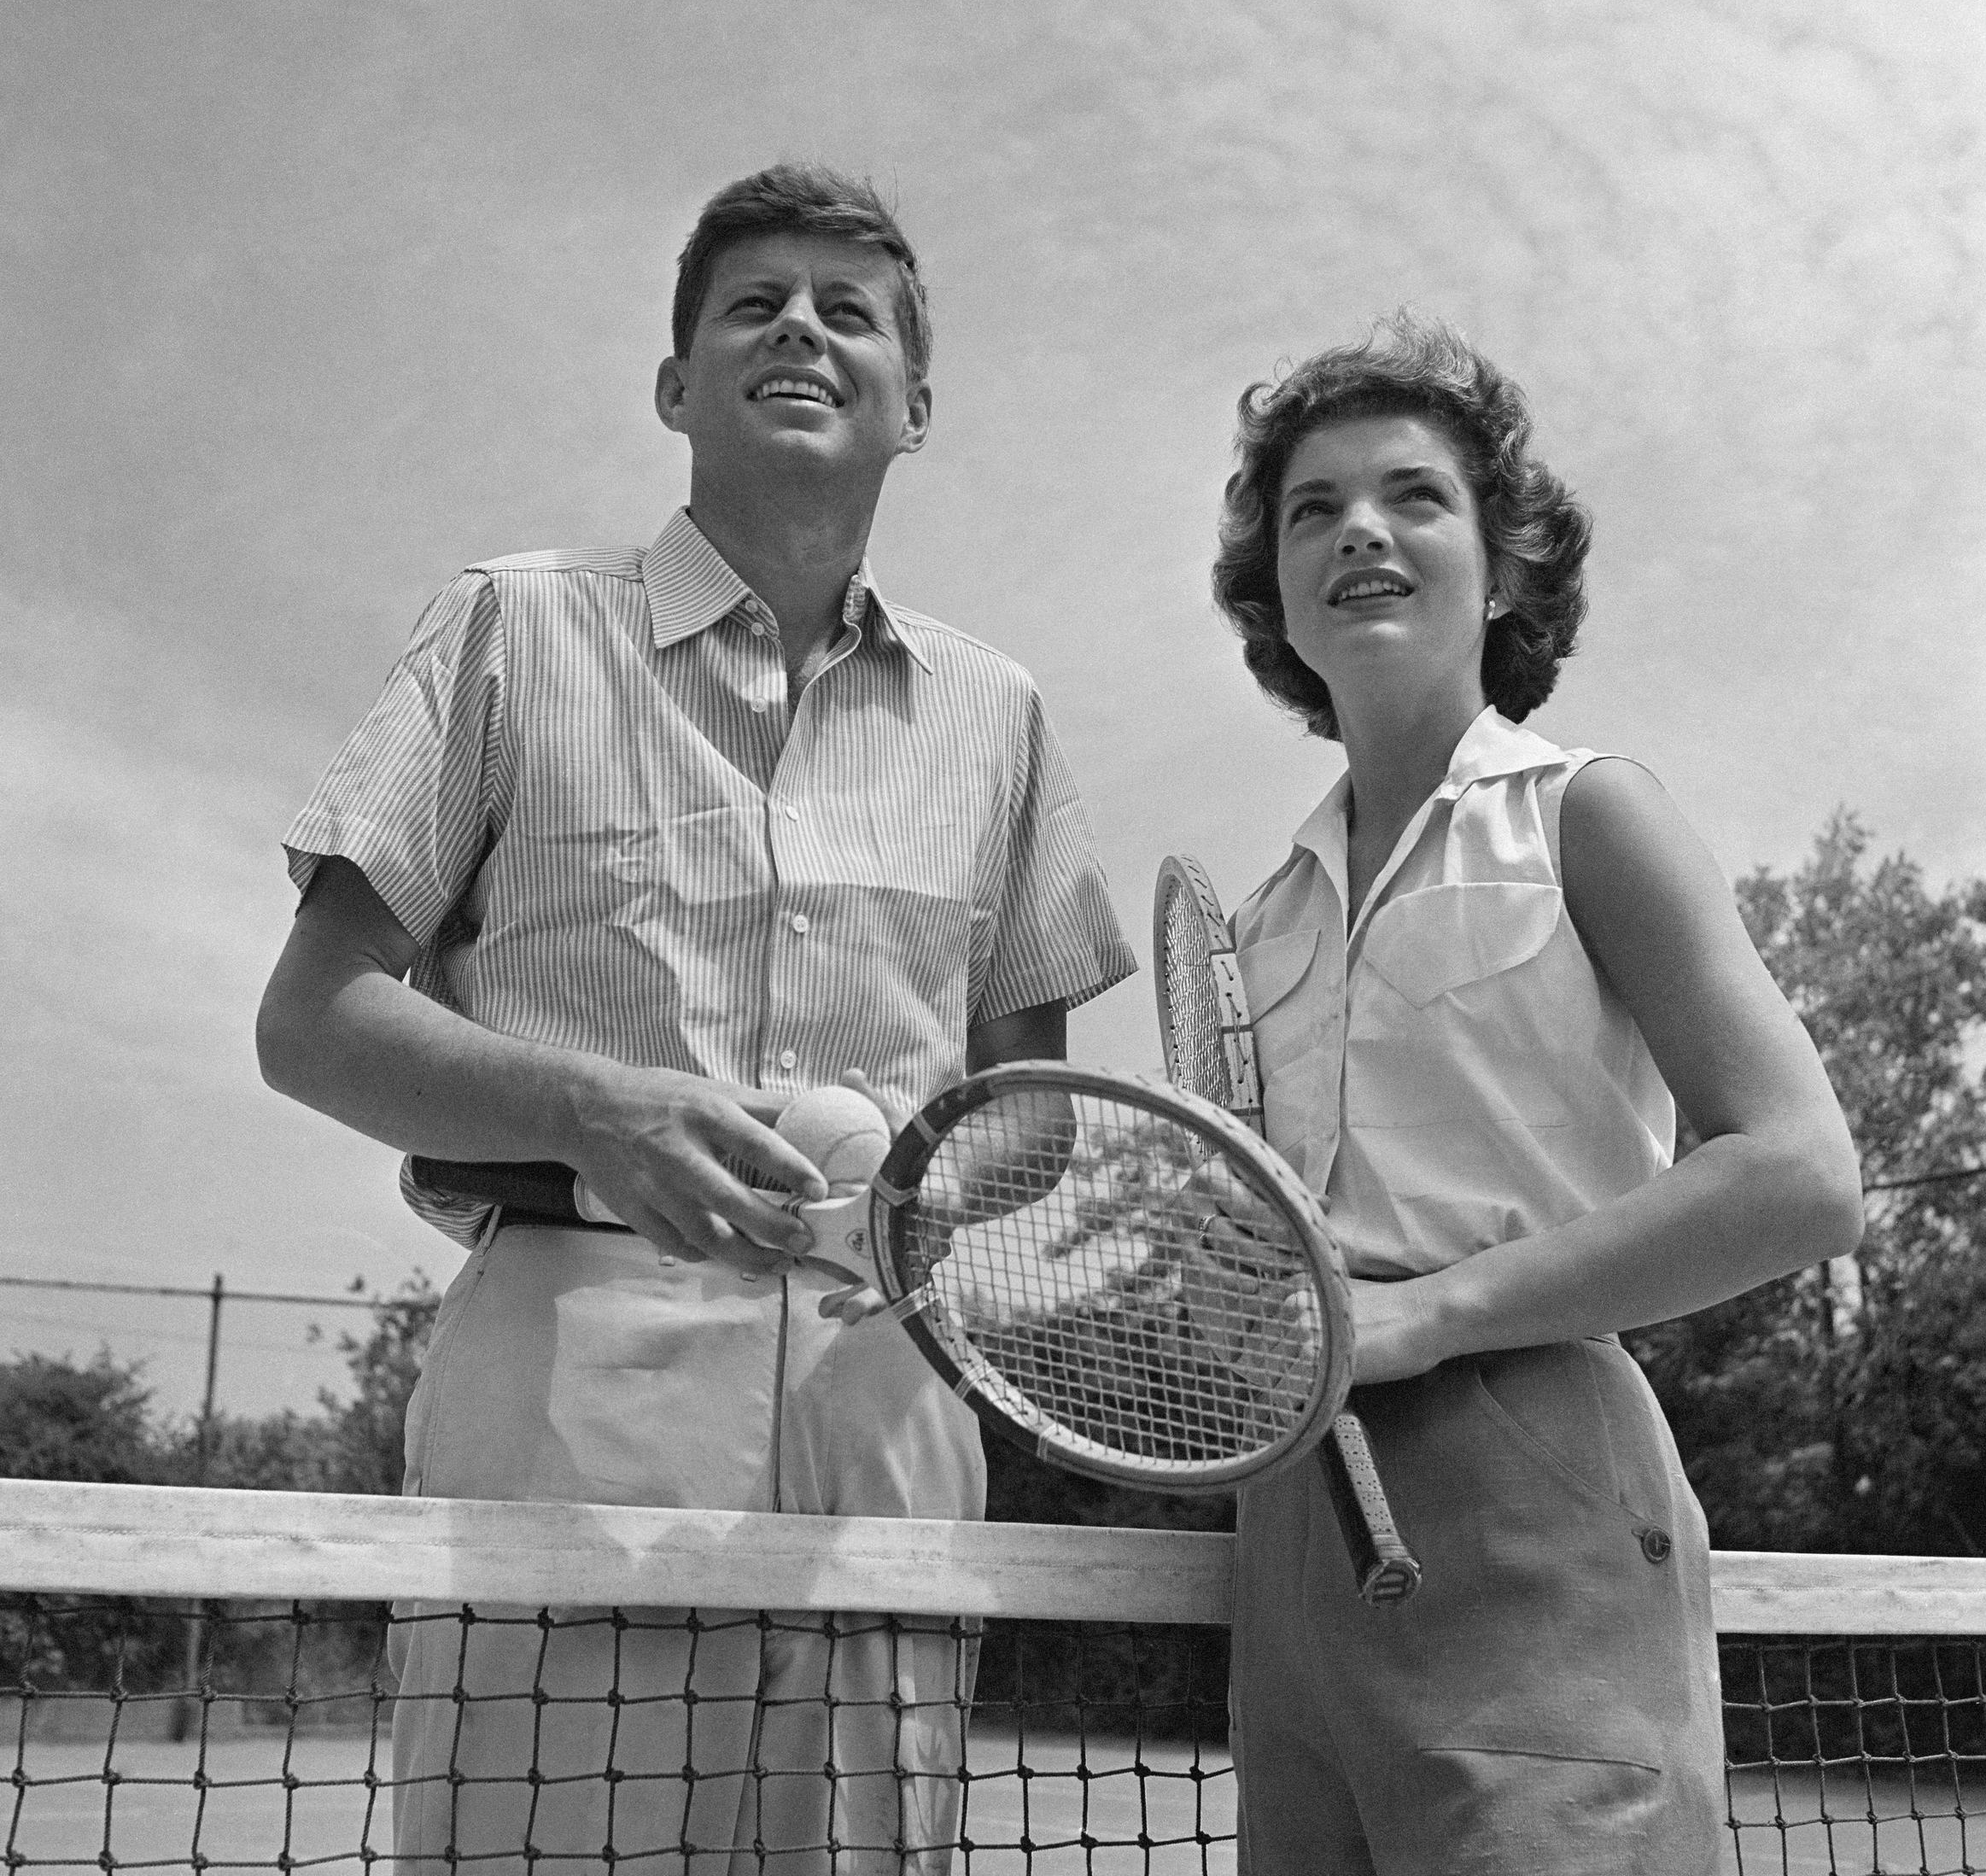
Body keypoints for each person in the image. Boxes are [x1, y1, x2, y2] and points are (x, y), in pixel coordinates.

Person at [255, 163, 1134, 1873]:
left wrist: (935, 1187)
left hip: (888, 1384)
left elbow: (1033, 1101)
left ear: (916, 404)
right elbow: (314, 1025)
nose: (799, 326)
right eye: (753, 302)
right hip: (568, 1370)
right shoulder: (508, 627)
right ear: (676, 387)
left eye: (846, 309)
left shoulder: (1001, 715)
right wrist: (596, 1109)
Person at [1210, 314, 1861, 1874]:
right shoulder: (1264, 920)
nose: (1357, 529)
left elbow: (1798, 1174)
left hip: (1534, 1481)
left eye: (1412, 496)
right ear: (1277, 594)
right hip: (1289, 1524)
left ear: (1500, 570)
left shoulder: (1590, 814)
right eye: (1311, 509)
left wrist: (1424, 1317)